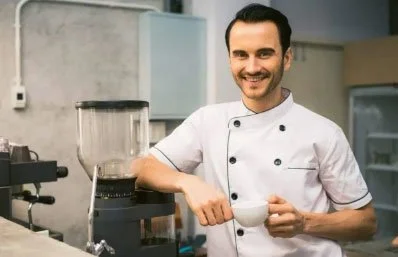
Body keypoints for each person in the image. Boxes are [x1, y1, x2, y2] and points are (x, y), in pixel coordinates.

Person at [132, 3, 376, 257]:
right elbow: (139, 169)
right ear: (230, 59)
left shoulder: (324, 132)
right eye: (241, 55)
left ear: (287, 58)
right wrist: (187, 182)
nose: (251, 68)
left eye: (264, 53)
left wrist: (304, 222)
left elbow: (366, 223)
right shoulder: (208, 121)